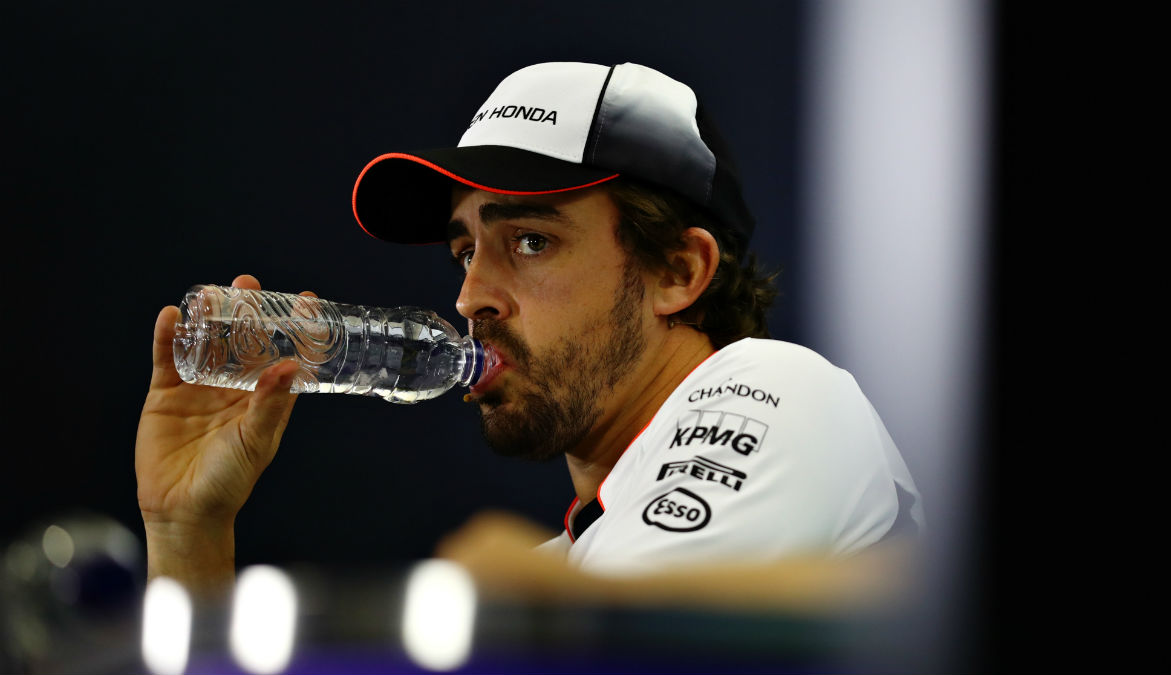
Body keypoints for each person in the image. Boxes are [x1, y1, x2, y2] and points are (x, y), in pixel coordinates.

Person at [136, 62, 924, 610]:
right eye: (466, 249)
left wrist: (535, 608)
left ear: (679, 271)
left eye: (530, 241)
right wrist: (189, 539)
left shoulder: (778, 391)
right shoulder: (569, 567)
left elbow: (621, 643)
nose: (471, 294)